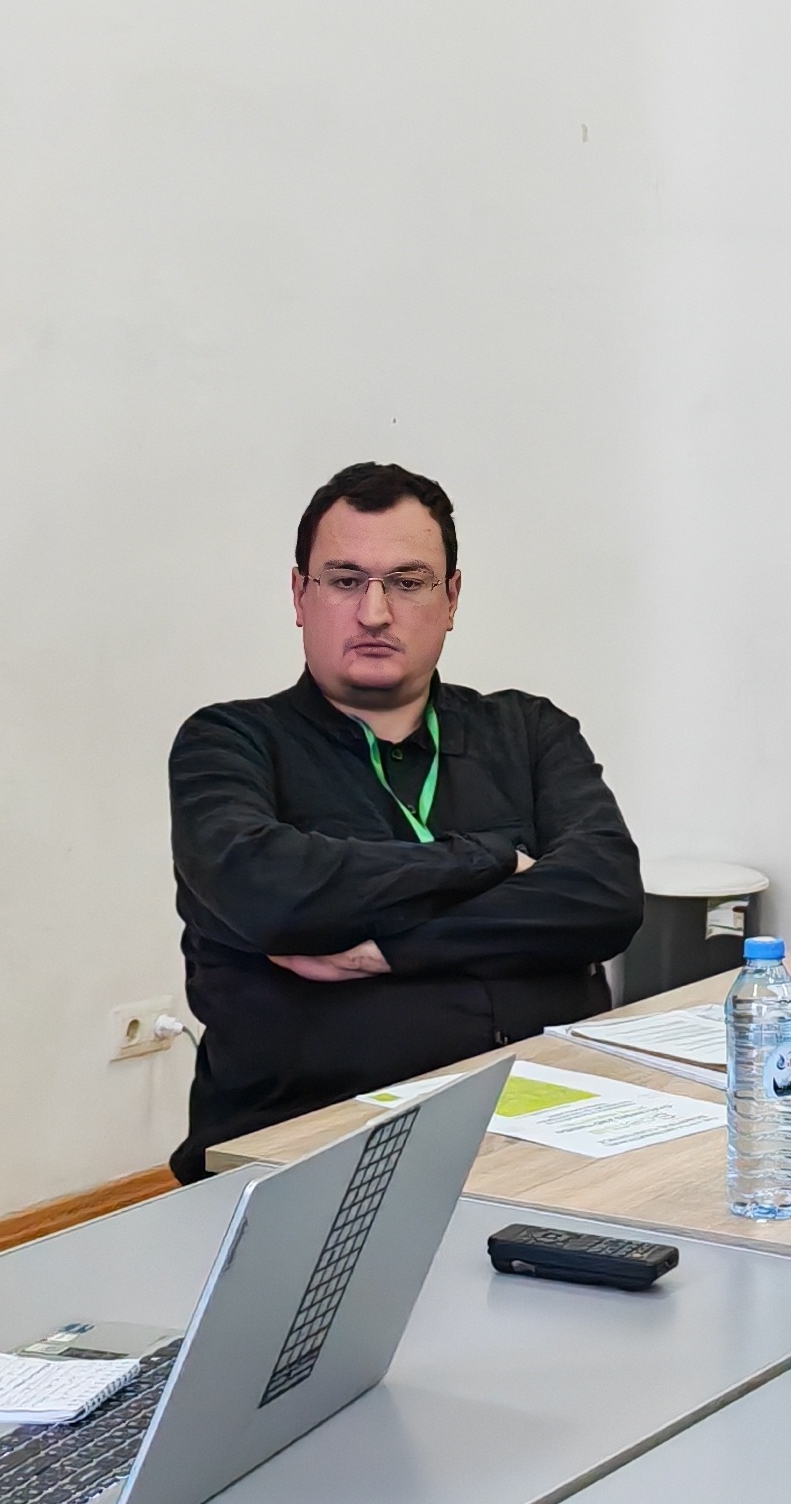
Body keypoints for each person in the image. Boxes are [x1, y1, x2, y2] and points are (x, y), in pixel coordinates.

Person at [165, 461, 644, 1180]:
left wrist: (390, 948)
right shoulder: (229, 744)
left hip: (551, 1129)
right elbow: (271, 894)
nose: (374, 612)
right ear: (299, 595)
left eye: (408, 582)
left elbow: (604, 898)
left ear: (451, 598)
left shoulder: (529, 732)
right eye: (345, 580)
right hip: (309, 1150)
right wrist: (490, 859)